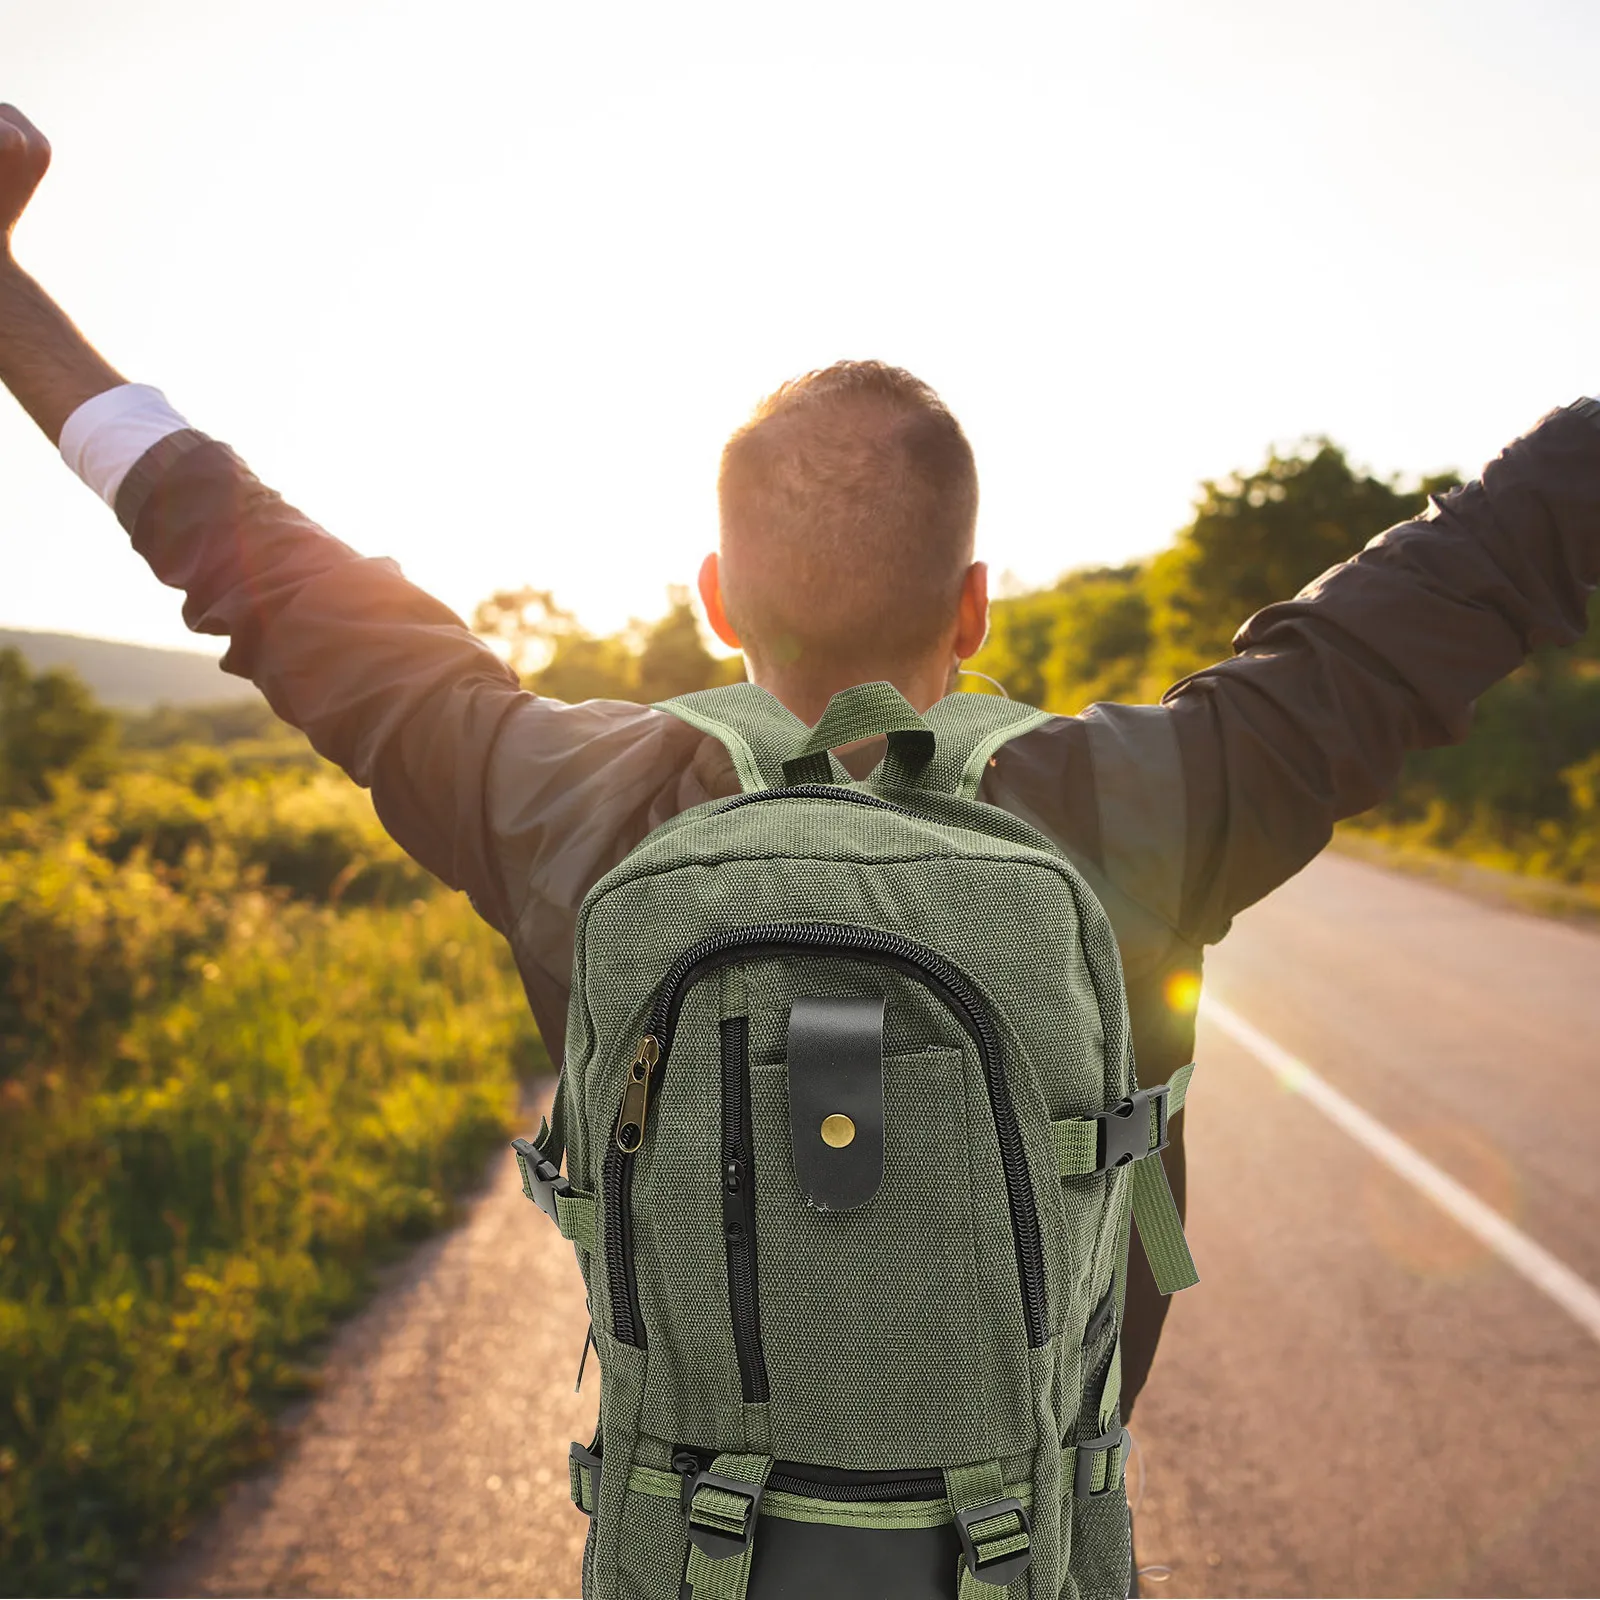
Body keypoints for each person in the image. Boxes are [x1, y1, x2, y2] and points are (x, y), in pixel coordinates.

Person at [2, 99, 1598, 1446]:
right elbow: (1476, 571)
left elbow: (246, 560)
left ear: (714, 598)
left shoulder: (555, 804)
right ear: (975, 607)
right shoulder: (1153, 799)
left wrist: (13, 299)